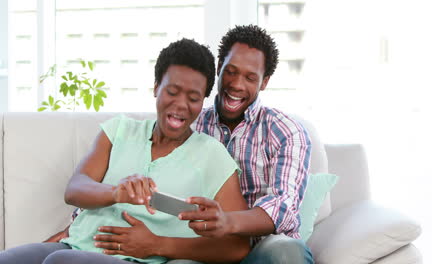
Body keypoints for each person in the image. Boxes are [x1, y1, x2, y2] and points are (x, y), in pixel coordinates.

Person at [47, 24, 314, 264]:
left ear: (265, 81)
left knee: (284, 252)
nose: (236, 84)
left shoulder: (285, 132)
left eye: (250, 77)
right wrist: (81, 226)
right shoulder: (189, 121)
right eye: (230, 72)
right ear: (219, 67)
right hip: (199, 248)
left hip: (258, 249)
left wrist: (227, 222)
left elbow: (283, 208)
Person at [0, 38, 250, 264]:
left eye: (193, 98)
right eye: (172, 92)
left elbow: (237, 246)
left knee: (61, 262)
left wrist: (159, 245)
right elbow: (75, 189)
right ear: (156, 88)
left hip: (132, 261)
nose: (181, 105)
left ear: (203, 101)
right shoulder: (119, 130)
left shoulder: (213, 156)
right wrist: (116, 192)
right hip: (73, 245)